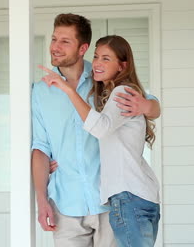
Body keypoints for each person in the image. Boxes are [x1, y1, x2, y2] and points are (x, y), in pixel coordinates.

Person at [31, 14, 160, 247]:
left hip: (110, 202)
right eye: (53, 39)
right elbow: (40, 147)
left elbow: (149, 104)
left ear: (83, 48)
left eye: (65, 41)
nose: (55, 47)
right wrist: (41, 201)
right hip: (66, 203)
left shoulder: (105, 76)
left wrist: (149, 105)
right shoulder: (40, 92)